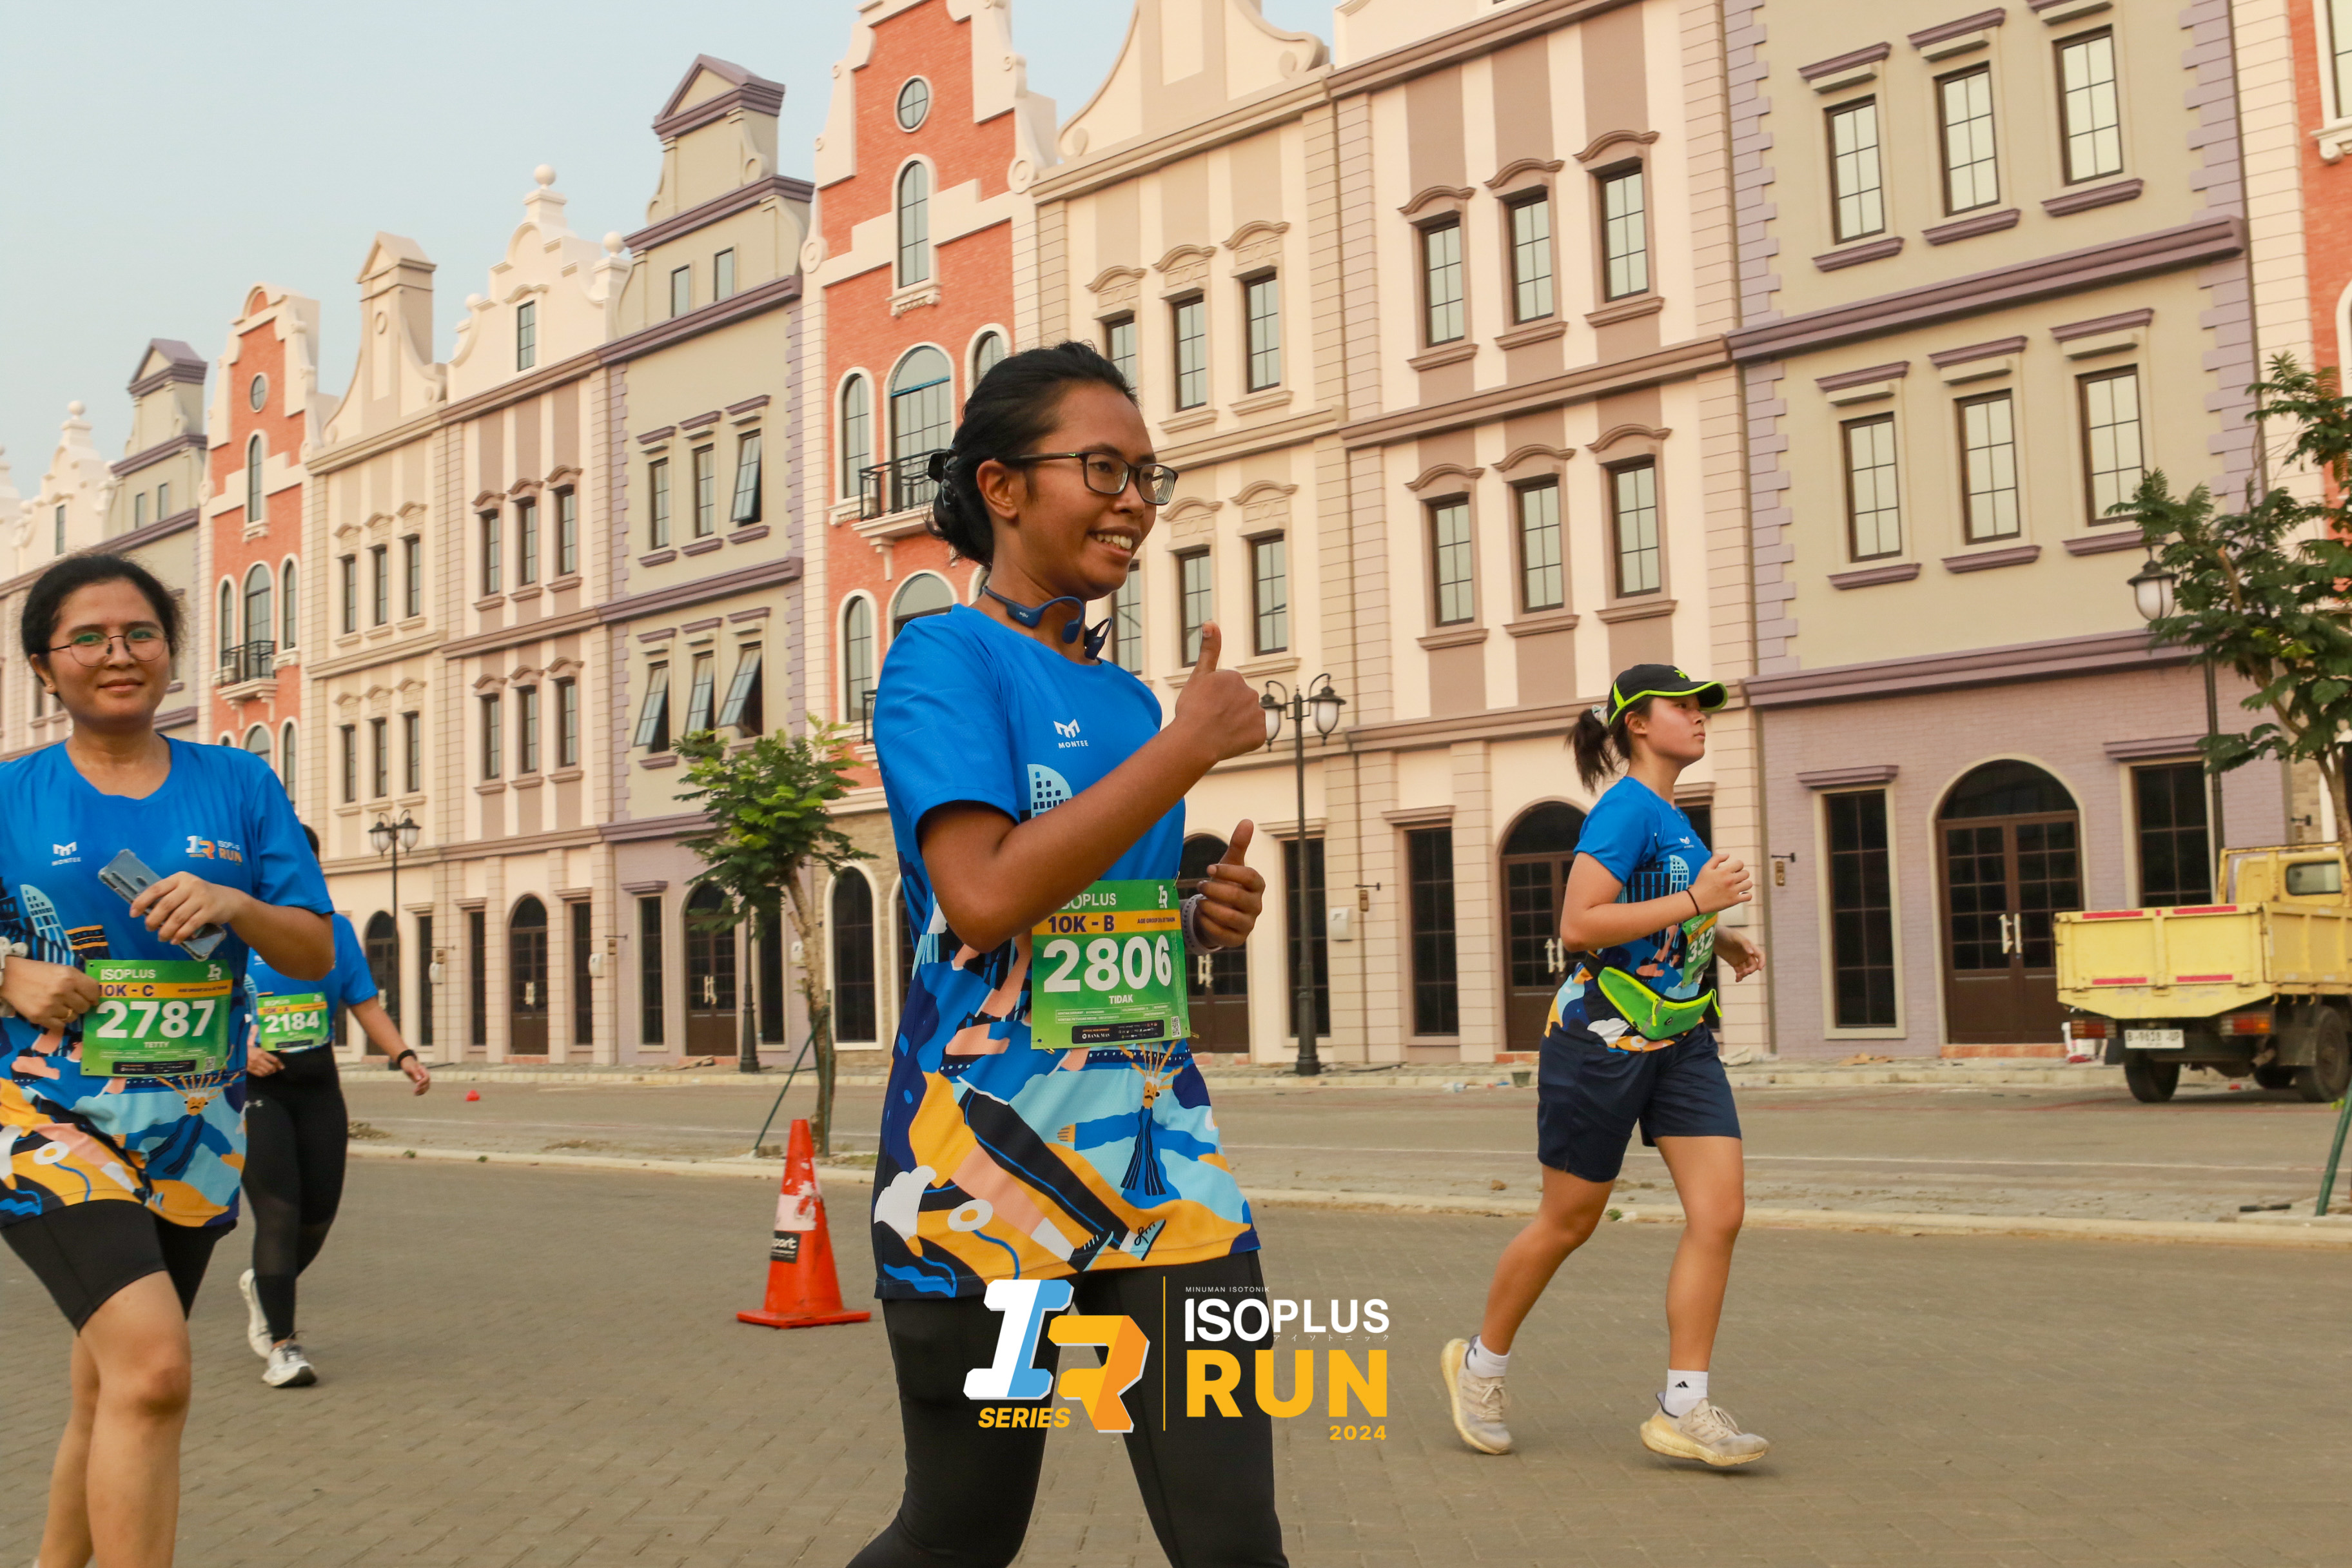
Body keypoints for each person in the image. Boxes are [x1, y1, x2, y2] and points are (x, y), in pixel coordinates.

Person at [851, 342, 1280, 1568]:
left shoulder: (1136, 706)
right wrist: (1187, 751)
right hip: (980, 1180)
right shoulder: (941, 658)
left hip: (1162, 1169)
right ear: (1000, 486)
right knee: (960, 1538)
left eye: (1147, 475)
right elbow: (984, 898)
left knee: (1235, 1544)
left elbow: (1089, 937)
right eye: (1103, 468)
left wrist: (1192, 921)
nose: (1135, 500)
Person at [0, 553, 333, 1568]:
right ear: (44, 666)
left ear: (170, 652)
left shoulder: (240, 783)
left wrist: (237, 904)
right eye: (88, 638)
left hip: (194, 1129)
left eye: (139, 633)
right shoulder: (11, 796)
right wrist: (8, 972)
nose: (118, 654)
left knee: (111, 1388)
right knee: (154, 1373)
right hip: (41, 1117)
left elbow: (312, 952)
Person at [1441, 665, 1770, 1467]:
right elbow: (1580, 923)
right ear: (1637, 724)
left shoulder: (1671, 815)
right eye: (1682, 706)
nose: (1699, 716)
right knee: (1570, 1220)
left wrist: (1715, 938)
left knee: (1720, 1212)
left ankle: (1682, 1405)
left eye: (1702, 707)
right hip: (1602, 1041)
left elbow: (1649, 915)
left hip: (1683, 1040)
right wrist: (1699, 903)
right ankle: (1480, 1366)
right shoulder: (1625, 808)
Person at [237, 829, 431, 1389]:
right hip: (256, 1089)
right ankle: (283, 1345)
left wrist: (403, 1054)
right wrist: (238, 1050)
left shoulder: (334, 932)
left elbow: (363, 1002)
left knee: (317, 1217)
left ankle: (265, 1284)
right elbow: (204, 1004)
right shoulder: (231, 930)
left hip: (318, 1085)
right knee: (279, 1210)